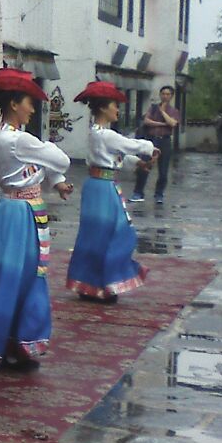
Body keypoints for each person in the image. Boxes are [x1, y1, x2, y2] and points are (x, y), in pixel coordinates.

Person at [0, 67, 72, 373]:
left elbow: (42, 166)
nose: (32, 108)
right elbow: (61, 159)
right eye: (29, 101)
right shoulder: (18, 140)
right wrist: (50, 156)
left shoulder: (9, 138)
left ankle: (10, 344)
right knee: (18, 279)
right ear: (14, 103)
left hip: (17, 210)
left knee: (17, 278)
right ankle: (4, 345)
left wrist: (55, 179)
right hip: (20, 214)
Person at [66, 81, 156, 304]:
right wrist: (150, 148)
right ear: (103, 108)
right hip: (102, 188)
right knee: (115, 234)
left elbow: (116, 158)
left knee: (97, 236)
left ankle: (92, 284)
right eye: (114, 105)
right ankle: (103, 284)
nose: (117, 109)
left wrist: (137, 164)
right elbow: (129, 145)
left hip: (101, 185)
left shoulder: (99, 134)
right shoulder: (105, 134)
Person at [131, 85, 179, 204]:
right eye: (163, 94)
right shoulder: (152, 108)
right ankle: (138, 192)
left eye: (168, 94)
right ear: (160, 95)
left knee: (163, 170)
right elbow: (147, 121)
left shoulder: (174, 111)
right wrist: (162, 124)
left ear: (171, 96)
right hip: (151, 140)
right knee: (144, 166)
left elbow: (172, 123)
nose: (165, 96)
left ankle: (159, 194)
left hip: (165, 141)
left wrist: (163, 112)